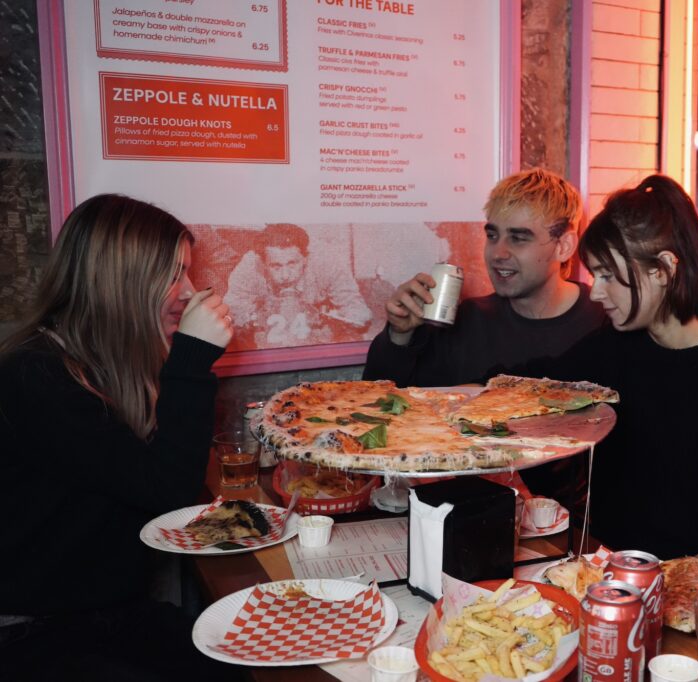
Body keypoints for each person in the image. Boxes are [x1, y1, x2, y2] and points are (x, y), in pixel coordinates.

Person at [0, 194, 235, 680]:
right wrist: (190, 359)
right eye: (174, 275)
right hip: (36, 630)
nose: (190, 292)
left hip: (106, 612)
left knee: (242, 661)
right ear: (120, 282)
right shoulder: (36, 375)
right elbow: (165, 490)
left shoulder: (104, 362)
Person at [512, 175, 698, 578]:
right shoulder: (618, 342)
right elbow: (537, 384)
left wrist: (686, 577)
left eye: (607, 275)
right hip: (610, 571)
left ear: (664, 269)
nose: (596, 292)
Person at [362, 168, 607, 387]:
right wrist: (399, 337)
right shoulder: (467, 322)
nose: (498, 253)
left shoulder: (606, 320)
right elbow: (379, 407)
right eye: (492, 236)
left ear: (563, 246)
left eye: (518, 238)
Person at [224, 222, 371, 349]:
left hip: (319, 328)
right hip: (267, 331)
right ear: (264, 264)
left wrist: (331, 323)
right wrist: (256, 320)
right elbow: (233, 313)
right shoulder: (250, 267)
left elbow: (358, 312)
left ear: (305, 258)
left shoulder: (327, 263)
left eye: (292, 264)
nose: (285, 275)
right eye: (276, 266)